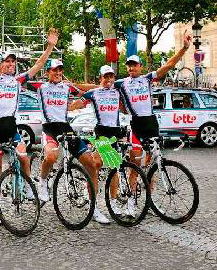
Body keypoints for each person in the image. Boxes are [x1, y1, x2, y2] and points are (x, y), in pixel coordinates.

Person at [0, 28, 59, 225]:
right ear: (1, 64)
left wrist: (50, 46)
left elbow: (38, 65)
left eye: (12, 62)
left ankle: (25, 185)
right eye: (6, 61)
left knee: (24, 156)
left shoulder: (18, 80)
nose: (10, 65)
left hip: (12, 129)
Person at [114, 31, 192, 216]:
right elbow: (100, 87)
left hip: (151, 122)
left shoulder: (147, 79)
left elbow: (169, 65)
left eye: (135, 65)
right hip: (136, 125)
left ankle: (150, 201)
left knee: (155, 163)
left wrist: (184, 48)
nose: (132, 68)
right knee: (136, 162)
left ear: (140, 66)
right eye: (129, 66)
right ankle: (131, 202)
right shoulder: (122, 83)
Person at [25, 59, 100, 220]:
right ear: (47, 73)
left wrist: (101, 86)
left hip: (66, 127)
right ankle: (43, 183)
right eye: (54, 70)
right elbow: (24, 79)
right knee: (51, 156)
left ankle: (94, 207)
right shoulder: (41, 87)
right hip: (49, 128)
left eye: (60, 70)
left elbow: (80, 88)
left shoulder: (66, 87)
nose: (58, 73)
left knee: (91, 163)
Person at [68, 65, 124, 223]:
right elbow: (79, 102)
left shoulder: (117, 89)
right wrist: (67, 106)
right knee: (96, 165)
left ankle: (113, 203)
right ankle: (93, 204)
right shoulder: (94, 93)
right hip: (103, 132)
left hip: (117, 131)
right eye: (105, 77)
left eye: (111, 76)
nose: (109, 79)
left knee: (115, 168)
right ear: (100, 78)